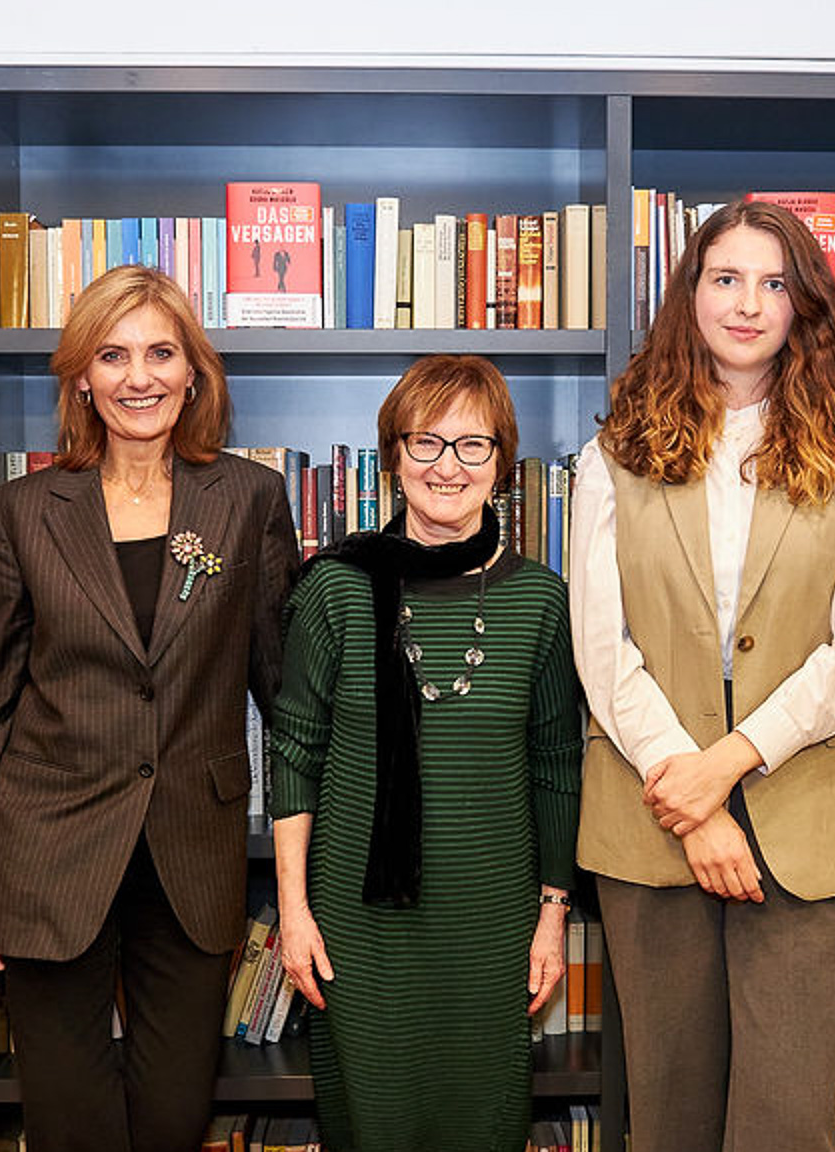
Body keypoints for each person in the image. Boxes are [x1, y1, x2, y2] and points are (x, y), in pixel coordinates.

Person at [569, 199, 835, 1152]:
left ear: (806, 306)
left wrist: (726, 766)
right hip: (653, 816)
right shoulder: (616, 449)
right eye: (726, 279)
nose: (749, 304)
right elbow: (602, 647)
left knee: (786, 1122)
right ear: (691, 294)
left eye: (774, 283)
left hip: (808, 821)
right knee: (668, 1117)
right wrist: (693, 796)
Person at [0, 264, 297, 1152]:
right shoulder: (22, 511)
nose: (139, 377)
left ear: (193, 373)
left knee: (174, 1116)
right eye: (113, 355)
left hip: (192, 849)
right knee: (71, 1123)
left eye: (160, 353)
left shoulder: (248, 499)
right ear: (81, 379)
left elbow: (284, 688)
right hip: (45, 850)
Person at [270, 354, 582, 1152]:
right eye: (426, 442)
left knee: (484, 1124)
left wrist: (552, 916)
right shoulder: (335, 589)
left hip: (492, 922)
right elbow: (294, 752)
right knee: (372, 1123)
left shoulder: (541, 599)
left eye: (473, 445)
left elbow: (556, 766)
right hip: (358, 924)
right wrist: (293, 914)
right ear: (393, 458)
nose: (448, 466)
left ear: (502, 465)